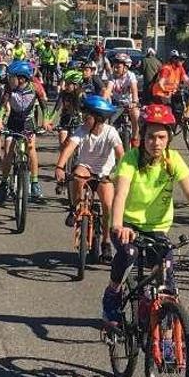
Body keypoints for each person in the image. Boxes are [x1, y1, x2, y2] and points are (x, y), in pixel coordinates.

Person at [100, 104, 189, 326]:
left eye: (162, 137)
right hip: (128, 225)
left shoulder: (172, 160)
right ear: (142, 136)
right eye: (151, 137)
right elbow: (121, 193)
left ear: (169, 138)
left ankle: (168, 341)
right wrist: (117, 225)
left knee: (167, 284)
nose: (157, 143)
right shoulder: (131, 158)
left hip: (157, 229)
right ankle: (112, 294)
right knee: (129, 253)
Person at [54, 94, 124, 260]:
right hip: (86, 168)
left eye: (88, 116)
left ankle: (106, 242)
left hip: (104, 173)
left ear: (98, 119)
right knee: (77, 175)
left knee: (108, 205)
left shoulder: (111, 132)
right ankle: (76, 207)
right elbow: (69, 148)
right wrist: (60, 167)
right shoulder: (82, 130)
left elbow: (121, 154)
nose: (85, 118)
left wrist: (120, 174)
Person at [0, 60, 48, 204]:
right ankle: (4, 183)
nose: (9, 79)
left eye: (12, 77)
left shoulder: (35, 87)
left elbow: (44, 106)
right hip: (13, 122)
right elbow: (1, 106)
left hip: (28, 123)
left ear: (22, 78)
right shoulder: (9, 88)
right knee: (9, 150)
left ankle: (35, 183)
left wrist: (46, 121)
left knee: (31, 148)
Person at [105, 52, 140, 146]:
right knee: (110, 122)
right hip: (116, 105)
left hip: (130, 103)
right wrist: (103, 100)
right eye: (114, 67)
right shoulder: (112, 76)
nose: (115, 69)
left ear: (126, 67)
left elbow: (134, 89)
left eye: (118, 67)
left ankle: (135, 138)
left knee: (136, 115)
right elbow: (108, 89)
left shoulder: (130, 75)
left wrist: (134, 101)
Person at [44, 69, 85, 147]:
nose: (65, 86)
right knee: (63, 143)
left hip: (80, 122)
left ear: (76, 85)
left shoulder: (82, 95)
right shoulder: (63, 93)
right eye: (65, 83)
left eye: (68, 84)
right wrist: (49, 121)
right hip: (65, 120)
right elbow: (57, 108)